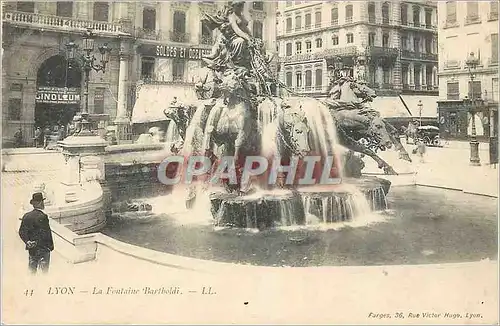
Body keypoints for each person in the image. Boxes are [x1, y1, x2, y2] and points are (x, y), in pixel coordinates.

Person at [18, 192, 54, 275]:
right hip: (43, 249)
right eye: (43, 202)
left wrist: (28, 241)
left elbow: (22, 231)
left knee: (31, 271)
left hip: (32, 249)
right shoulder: (43, 216)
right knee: (43, 274)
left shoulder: (26, 216)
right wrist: (50, 247)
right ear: (40, 203)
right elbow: (46, 233)